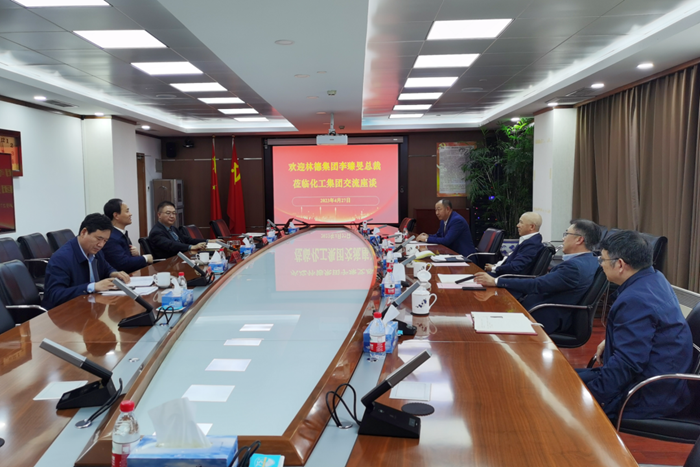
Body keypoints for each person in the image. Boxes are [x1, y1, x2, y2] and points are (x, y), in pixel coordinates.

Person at [577, 230, 693, 421]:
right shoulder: (654, 278)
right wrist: (611, 340)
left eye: (603, 260)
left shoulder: (635, 299)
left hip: (646, 392)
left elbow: (627, 364)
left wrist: (590, 398)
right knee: (563, 379)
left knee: (566, 395)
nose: (601, 265)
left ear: (620, 264)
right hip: (662, 380)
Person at [475, 219, 600, 334]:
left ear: (579, 240)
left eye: (567, 234)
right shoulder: (591, 260)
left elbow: (538, 285)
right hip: (538, 308)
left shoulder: (574, 267)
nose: (563, 238)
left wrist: (496, 281)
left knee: (482, 324)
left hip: (541, 317)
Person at [43, 213, 130, 310]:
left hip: (89, 306)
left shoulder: (95, 251)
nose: (101, 245)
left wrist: (113, 273)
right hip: (65, 313)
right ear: (84, 232)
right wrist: (92, 287)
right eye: (99, 239)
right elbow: (55, 295)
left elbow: (105, 267)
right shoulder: (61, 258)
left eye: (105, 241)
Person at [101, 198, 153, 273]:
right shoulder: (111, 237)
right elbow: (123, 263)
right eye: (127, 211)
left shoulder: (120, 233)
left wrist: (136, 255)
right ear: (116, 215)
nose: (130, 214)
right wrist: (145, 258)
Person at [485, 212, 544, 276]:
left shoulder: (532, 244)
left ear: (532, 227)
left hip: (505, 278)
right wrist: (495, 267)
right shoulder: (530, 241)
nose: (517, 225)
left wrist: (494, 268)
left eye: (521, 222)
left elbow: (515, 267)